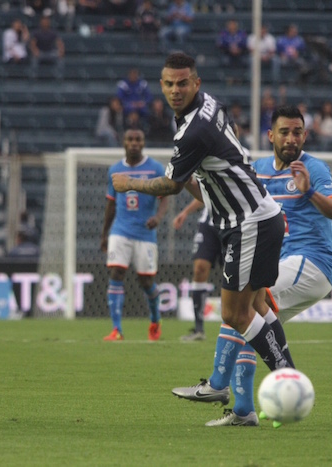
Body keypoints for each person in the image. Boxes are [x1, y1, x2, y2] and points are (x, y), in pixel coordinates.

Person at [112, 52, 293, 371]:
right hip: (260, 214)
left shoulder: (193, 130)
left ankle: (284, 376)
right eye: (169, 84)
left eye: (183, 83)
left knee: (234, 314)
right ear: (161, 85)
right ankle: (284, 378)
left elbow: (170, 185)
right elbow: (209, 159)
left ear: (196, 82)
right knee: (258, 304)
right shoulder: (209, 103)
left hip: (248, 222)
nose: (175, 90)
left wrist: (130, 182)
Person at [173, 105, 332, 427]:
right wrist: (184, 176)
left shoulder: (315, 169)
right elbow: (218, 199)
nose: (291, 138)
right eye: (284, 131)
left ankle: (218, 384)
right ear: (271, 135)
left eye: (297, 132)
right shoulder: (258, 168)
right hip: (276, 262)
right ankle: (243, 411)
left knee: (240, 305)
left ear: (305, 135)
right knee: (250, 326)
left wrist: (309, 191)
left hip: (312, 261)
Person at [101, 128, 170, 341]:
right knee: (116, 273)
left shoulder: (155, 168)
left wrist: (158, 217)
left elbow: (165, 196)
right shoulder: (115, 169)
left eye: (137, 139)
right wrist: (104, 234)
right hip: (120, 230)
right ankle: (116, 329)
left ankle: (155, 320)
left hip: (145, 234)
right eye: (129, 139)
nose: (133, 143)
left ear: (143, 142)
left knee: (146, 282)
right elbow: (110, 205)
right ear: (123, 142)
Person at [172, 199, 220, 341]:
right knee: (199, 269)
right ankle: (199, 329)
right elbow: (202, 191)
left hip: (233, 223)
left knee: (232, 273)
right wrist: (185, 212)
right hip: (209, 224)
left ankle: (239, 328)